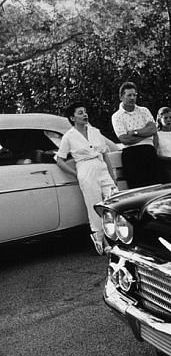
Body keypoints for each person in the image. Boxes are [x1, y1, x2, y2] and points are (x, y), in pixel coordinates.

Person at [56, 102, 118, 255]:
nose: (84, 115)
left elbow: (105, 155)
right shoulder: (69, 137)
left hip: (101, 168)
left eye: (85, 111)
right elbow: (60, 159)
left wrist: (112, 175)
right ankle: (101, 241)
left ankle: (121, 237)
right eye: (80, 113)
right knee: (94, 205)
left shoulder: (95, 131)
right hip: (85, 170)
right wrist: (76, 174)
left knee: (115, 200)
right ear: (72, 118)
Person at [111, 82, 159, 188]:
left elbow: (153, 129)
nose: (132, 98)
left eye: (134, 95)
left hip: (149, 153)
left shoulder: (144, 111)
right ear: (121, 97)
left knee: (155, 187)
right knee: (138, 190)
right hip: (131, 155)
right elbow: (124, 139)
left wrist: (135, 132)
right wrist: (145, 134)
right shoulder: (117, 116)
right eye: (129, 95)